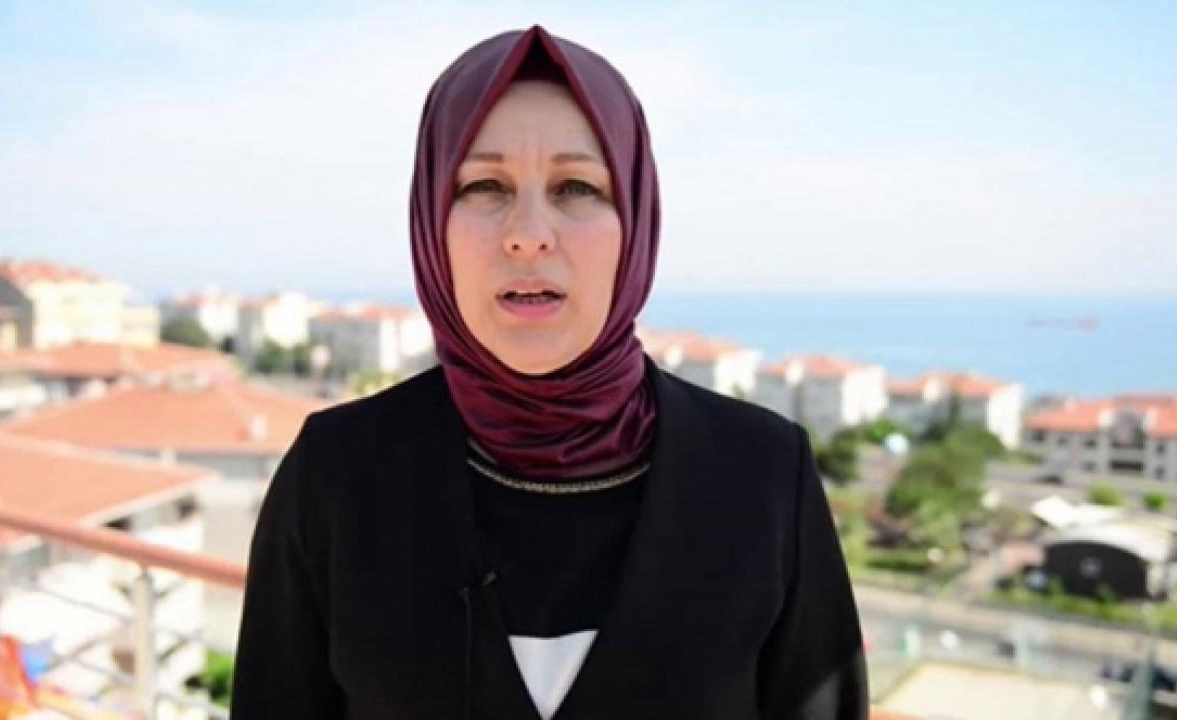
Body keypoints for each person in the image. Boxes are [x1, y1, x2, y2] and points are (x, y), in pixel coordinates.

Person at [231, 25, 868, 719]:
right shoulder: (334, 475)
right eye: (484, 185)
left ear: (636, 220)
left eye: (576, 187)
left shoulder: (763, 475)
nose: (529, 234)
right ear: (430, 221)